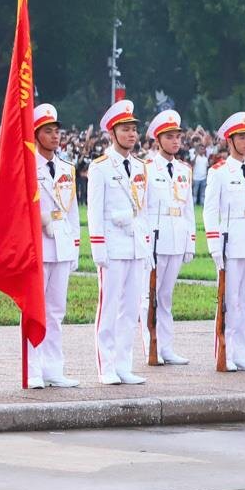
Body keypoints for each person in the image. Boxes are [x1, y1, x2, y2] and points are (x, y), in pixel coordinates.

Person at [87, 99, 151, 386]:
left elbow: (144, 209)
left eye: (134, 129)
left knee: (131, 308)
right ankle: (106, 365)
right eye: (125, 129)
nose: (131, 135)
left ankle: (124, 363)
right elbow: (95, 211)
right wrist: (98, 247)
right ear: (112, 133)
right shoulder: (100, 167)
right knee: (109, 307)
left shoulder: (140, 166)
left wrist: (146, 243)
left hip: (136, 245)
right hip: (112, 246)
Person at [204, 112, 245, 372]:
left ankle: (241, 353)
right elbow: (210, 211)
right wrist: (215, 246)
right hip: (231, 243)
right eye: (241, 137)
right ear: (230, 141)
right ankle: (225, 351)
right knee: (229, 300)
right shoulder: (219, 171)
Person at [29, 103, 81, 387]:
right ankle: (33, 369)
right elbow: (19, 207)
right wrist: (40, 218)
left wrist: (75, 245)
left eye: (56, 131)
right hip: (38, 244)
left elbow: (72, 210)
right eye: (48, 131)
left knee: (56, 310)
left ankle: (53, 368)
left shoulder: (66, 168)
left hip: (60, 244)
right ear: (36, 135)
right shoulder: (28, 166)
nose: (55, 136)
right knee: (35, 310)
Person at [143, 109, 194, 367]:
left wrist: (190, 241)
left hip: (176, 236)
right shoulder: (147, 168)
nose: (176, 141)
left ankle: (166, 346)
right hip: (156, 238)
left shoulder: (184, 169)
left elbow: (188, 208)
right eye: (170, 137)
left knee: (166, 296)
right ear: (158, 139)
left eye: (178, 136)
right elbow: (141, 207)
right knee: (148, 295)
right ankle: (150, 345)